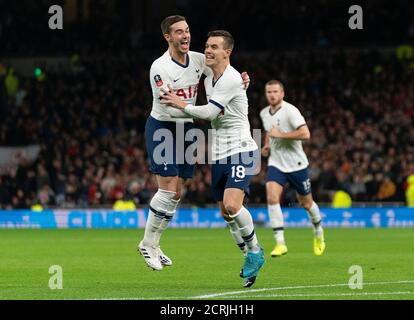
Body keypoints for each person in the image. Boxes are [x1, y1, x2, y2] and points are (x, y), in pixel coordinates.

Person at [138, 16, 250, 271]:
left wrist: (239, 83)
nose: (185, 35)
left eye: (187, 30)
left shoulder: (199, 59)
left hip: (187, 129)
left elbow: (222, 75)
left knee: (177, 192)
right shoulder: (160, 67)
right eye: (178, 32)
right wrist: (210, 110)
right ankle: (147, 243)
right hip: (164, 127)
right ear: (168, 37)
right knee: (167, 190)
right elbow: (171, 107)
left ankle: (155, 244)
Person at [160, 30, 265, 288]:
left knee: (231, 205)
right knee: (226, 214)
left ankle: (254, 251)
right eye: (207, 45)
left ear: (227, 52)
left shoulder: (230, 79)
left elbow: (208, 112)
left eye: (215, 47)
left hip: (242, 148)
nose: (208, 50)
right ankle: (248, 253)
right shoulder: (210, 73)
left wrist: (179, 104)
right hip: (219, 154)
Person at [260, 80, 326, 257]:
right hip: (276, 163)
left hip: (297, 165)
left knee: (306, 203)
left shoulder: (291, 111)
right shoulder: (264, 113)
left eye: (275, 91)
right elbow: (269, 132)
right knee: (272, 197)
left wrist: (281, 135)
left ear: (282, 93)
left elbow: (305, 133)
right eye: (269, 92)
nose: (272, 95)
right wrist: (266, 146)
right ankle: (280, 243)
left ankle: (318, 231)